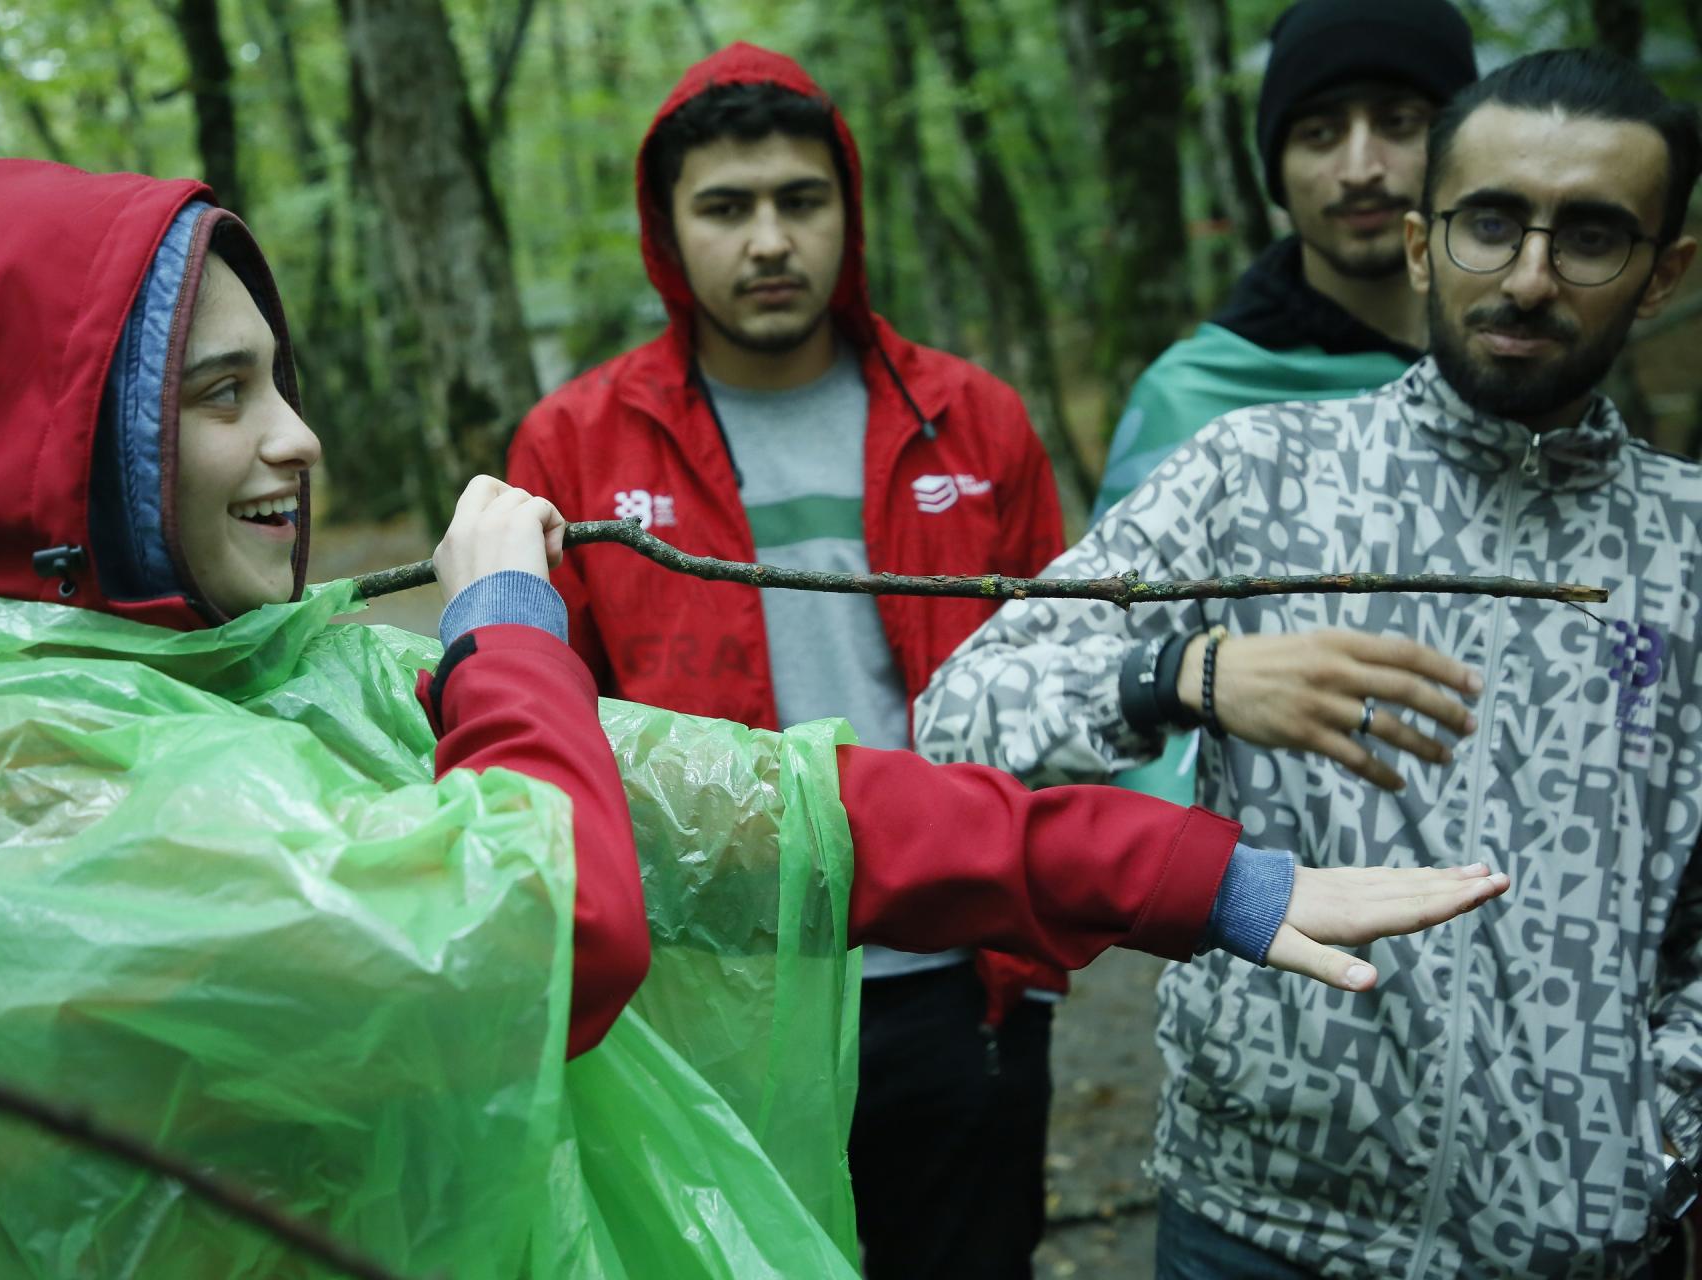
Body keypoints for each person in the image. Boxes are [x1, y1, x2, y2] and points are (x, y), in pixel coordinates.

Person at [0, 158, 1504, 1280]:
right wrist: (506, 622)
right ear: (46, 462)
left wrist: (1209, 883)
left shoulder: (293, 678)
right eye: (217, 395)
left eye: (284, 379)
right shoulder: (24, 792)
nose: (299, 440)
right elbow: (542, 930)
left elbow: (766, 806)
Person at [915, 48, 1701, 1280]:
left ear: (1665, 274)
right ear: (1424, 243)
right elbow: (958, 712)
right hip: (1259, 1225)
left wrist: (1659, 1131)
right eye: (1492, 223)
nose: (1533, 276)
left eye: (1592, 236)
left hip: (1577, 1247)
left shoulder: (1690, 544)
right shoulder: (1255, 474)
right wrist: (1189, 671)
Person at [507, 42, 1075, 1277]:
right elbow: (543, 724)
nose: (768, 241)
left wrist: (1028, 973)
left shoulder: (971, 417)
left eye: (799, 201)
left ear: (845, 211)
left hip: (955, 976)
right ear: (667, 232)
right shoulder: (575, 441)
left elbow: (1059, 683)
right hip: (718, 994)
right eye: (726, 207)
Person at [1096, 0, 1477, 807]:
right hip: (1267, 884)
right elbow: (1109, 660)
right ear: (1276, 165)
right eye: (1319, 133)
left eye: (1400, 122)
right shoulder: (1195, 399)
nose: (1361, 166)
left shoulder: (1522, 370)